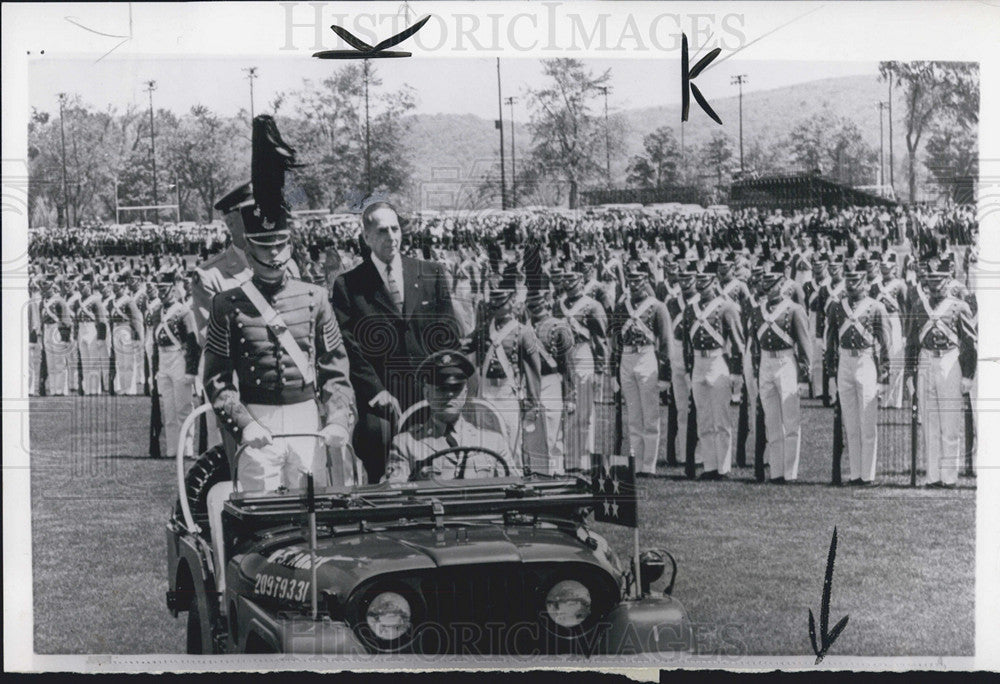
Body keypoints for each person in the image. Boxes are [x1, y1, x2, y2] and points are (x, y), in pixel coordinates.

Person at [202, 114, 357, 493]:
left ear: (289, 244)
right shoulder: (227, 304)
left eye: (280, 246)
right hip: (258, 417)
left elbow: (335, 369)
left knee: (312, 511)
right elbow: (218, 379)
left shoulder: (315, 297)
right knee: (259, 510)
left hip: (307, 416)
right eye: (264, 247)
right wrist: (243, 422)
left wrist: (338, 418)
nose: (273, 256)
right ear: (248, 247)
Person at [331, 201, 461, 483]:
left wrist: (441, 388)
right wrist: (376, 390)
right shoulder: (348, 285)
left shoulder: (431, 272)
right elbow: (348, 345)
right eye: (381, 230)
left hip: (430, 395)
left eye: (395, 228)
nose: (391, 236)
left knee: (439, 470)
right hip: (382, 402)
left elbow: (448, 335)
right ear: (366, 237)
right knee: (383, 461)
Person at [384, 350, 519, 482]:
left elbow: (516, 489)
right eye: (441, 388)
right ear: (427, 394)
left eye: (456, 388)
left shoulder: (493, 442)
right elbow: (395, 493)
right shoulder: (406, 444)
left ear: (465, 393)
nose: (449, 395)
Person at [904, 259, 977, 487]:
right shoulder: (918, 306)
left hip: (950, 362)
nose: (935, 285)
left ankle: (949, 477)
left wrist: (967, 375)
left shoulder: (959, 306)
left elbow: (969, 344)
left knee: (950, 422)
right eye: (931, 279)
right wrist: (909, 374)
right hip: (926, 361)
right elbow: (911, 344)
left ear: (948, 280)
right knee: (930, 424)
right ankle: (933, 476)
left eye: (939, 280)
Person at [825, 260, 890, 486]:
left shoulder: (876, 307)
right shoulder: (836, 307)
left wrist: (884, 378)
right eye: (849, 279)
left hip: (866, 361)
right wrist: (831, 374)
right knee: (850, 424)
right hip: (845, 361)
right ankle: (855, 474)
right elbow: (831, 340)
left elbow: (885, 344)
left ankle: (868, 475)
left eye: (856, 280)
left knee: (867, 422)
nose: (851, 284)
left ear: (865, 282)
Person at [468, 273, 544, 464]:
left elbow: (533, 371)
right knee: (485, 444)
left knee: (512, 446)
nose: (495, 305)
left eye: (500, 301)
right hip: (486, 392)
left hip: (507, 393)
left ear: (511, 301)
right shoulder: (484, 329)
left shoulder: (523, 331)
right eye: (494, 301)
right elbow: (463, 346)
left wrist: (532, 405)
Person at [679, 262, 745, 480]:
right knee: (704, 419)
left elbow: (737, 342)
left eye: (705, 283)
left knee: (721, 419)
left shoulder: (726, 307)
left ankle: (723, 467)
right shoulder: (691, 309)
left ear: (714, 283)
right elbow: (687, 344)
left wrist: (736, 372)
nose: (701, 287)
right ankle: (709, 465)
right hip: (698, 362)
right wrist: (689, 368)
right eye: (698, 283)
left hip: (718, 361)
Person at [749, 262, 812, 483]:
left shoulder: (794, 310)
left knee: (790, 421)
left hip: (786, 361)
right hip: (766, 362)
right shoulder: (758, 311)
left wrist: (804, 376)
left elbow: (804, 344)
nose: (769, 287)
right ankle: (776, 471)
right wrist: (757, 368)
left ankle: (790, 472)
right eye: (766, 283)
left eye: (773, 283)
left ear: (782, 284)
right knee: (772, 420)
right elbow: (755, 344)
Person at [611, 265, 672, 476]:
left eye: (638, 280)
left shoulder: (657, 307)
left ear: (646, 280)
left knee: (650, 415)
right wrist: (613, 371)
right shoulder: (621, 307)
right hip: (627, 358)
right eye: (631, 280)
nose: (634, 284)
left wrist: (665, 374)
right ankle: (636, 462)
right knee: (634, 416)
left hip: (647, 356)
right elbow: (615, 341)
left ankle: (649, 465)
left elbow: (665, 343)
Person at [553, 268, 608, 471]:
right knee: (567, 410)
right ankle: (570, 458)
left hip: (583, 353)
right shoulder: (558, 305)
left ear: (581, 283)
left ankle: (584, 459)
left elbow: (600, 339)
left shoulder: (593, 306)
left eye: (572, 282)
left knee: (585, 412)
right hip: (562, 356)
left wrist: (600, 368)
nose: (568, 286)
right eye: (565, 282)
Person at [526, 290, 576, 475]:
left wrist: (570, 394)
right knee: (531, 431)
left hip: (551, 380)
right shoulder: (523, 327)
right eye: (531, 303)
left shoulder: (559, 327)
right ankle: (536, 471)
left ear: (547, 303)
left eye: (538, 303)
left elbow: (568, 363)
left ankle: (555, 474)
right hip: (530, 381)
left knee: (552, 432)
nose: (535, 307)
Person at [151, 273, 200, 459]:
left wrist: (191, 370)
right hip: (164, 361)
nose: (161, 293)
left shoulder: (183, 312)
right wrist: (156, 369)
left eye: (164, 289)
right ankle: (172, 449)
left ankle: (186, 449)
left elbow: (192, 342)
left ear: (173, 289)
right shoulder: (157, 312)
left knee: (183, 408)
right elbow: (155, 344)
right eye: (159, 289)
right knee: (169, 410)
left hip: (179, 358)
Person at [109, 276, 144, 395]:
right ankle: (123, 387)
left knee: (128, 361)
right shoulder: (112, 301)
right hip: (116, 329)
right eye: (114, 287)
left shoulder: (128, 301)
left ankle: (130, 388)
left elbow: (135, 320)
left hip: (126, 329)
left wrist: (137, 336)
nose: (115, 289)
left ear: (123, 287)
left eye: (117, 287)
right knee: (120, 361)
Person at [40, 277, 73, 396]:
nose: (45, 291)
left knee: (59, 361)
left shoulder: (59, 301)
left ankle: (61, 390)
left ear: (52, 287)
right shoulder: (43, 301)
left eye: (47, 288)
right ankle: (53, 389)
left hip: (57, 329)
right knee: (50, 362)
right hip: (47, 329)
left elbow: (66, 320)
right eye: (44, 288)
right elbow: (41, 318)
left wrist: (65, 337)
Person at [76, 276, 108, 395]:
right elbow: (76, 319)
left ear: (89, 286)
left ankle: (95, 389)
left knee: (93, 361)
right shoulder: (78, 301)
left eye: (83, 286)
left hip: (91, 329)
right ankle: (87, 389)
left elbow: (101, 320)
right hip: (81, 329)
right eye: (80, 286)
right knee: (85, 361)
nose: (81, 289)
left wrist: (101, 337)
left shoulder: (95, 300)